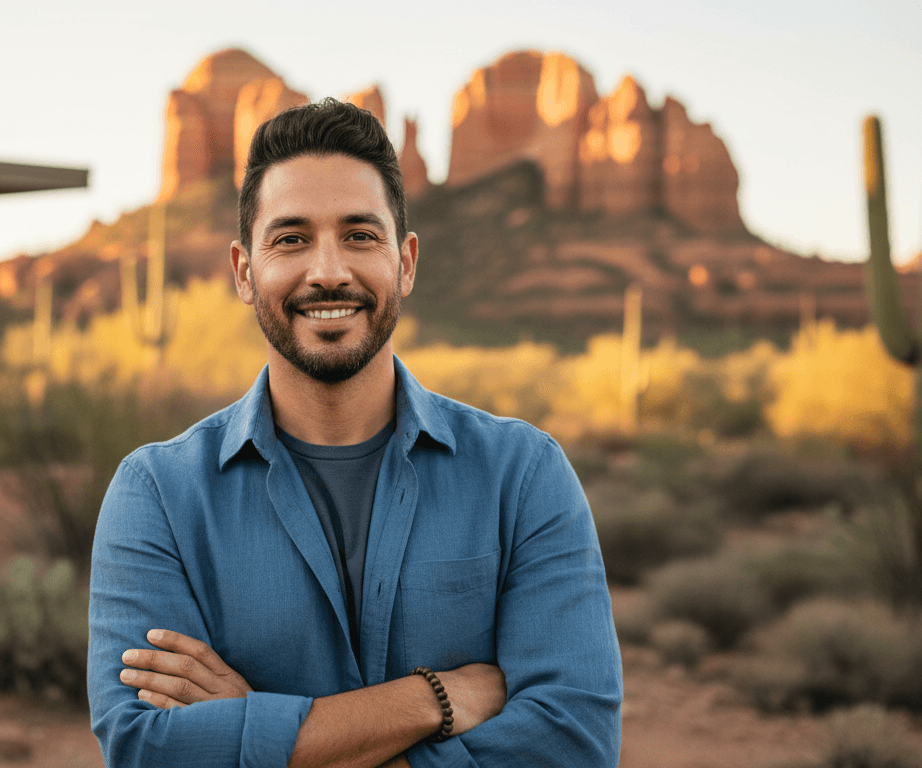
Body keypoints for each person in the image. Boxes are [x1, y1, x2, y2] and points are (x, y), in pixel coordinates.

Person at [88, 98, 621, 767]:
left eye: (360, 236)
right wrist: (436, 698)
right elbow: (145, 750)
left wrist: (254, 729)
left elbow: (573, 743)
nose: (329, 271)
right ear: (244, 271)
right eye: (290, 239)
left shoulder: (522, 473)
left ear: (406, 262)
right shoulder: (159, 493)